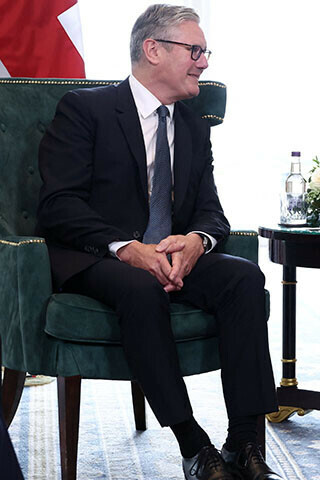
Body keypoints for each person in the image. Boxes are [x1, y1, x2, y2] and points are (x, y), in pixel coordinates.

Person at [37, 5, 282, 480]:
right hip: (99, 257)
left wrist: (197, 240)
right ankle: (194, 445)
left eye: (204, 52)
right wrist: (127, 250)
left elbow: (212, 209)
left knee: (244, 278)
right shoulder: (85, 110)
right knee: (138, 287)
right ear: (153, 50)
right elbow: (58, 205)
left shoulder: (191, 124)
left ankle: (245, 442)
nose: (204, 62)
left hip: (172, 257)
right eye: (195, 50)